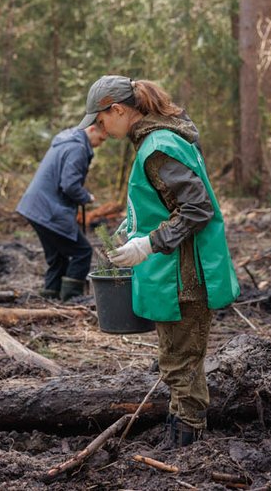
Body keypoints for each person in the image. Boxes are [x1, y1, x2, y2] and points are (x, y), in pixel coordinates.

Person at [78, 75, 240, 447]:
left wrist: (149, 244)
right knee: (176, 358)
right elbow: (167, 202)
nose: (101, 129)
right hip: (178, 271)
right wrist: (135, 225)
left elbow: (197, 208)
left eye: (101, 120)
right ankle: (180, 430)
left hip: (185, 275)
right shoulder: (161, 139)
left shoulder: (157, 147)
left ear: (118, 110)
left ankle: (187, 442)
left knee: (181, 361)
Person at [16, 124, 107, 301]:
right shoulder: (78, 148)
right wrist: (86, 197)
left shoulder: (66, 141)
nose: (100, 144)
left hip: (34, 207)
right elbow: (70, 185)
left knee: (58, 255)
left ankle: (51, 295)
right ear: (92, 129)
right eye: (101, 139)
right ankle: (72, 299)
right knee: (82, 252)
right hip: (48, 209)